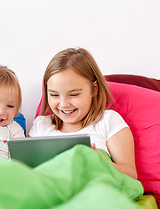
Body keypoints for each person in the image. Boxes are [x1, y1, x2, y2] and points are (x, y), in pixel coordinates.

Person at [29, 48, 137, 179]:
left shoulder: (108, 121)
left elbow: (131, 176)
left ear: (94, 89)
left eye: (73, 94)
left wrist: (102, 162)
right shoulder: (41, 125)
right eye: (54, 94)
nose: (64, 104)